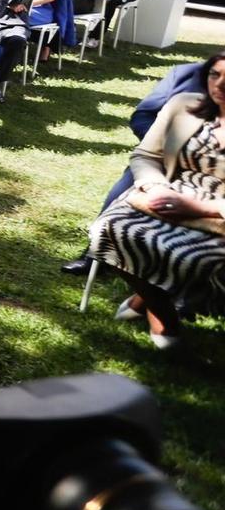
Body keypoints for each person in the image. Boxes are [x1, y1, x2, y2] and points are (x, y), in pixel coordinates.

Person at [85, 52, 225, 349]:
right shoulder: (184, 106)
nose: (221, 84)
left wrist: (201, 208)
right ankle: (161, 310)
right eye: (215, 74)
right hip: (169, 191)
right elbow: (146, 155)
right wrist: (155, 187)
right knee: (109, 228)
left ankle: (146, 297)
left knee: (198, 260)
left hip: (217, 209)